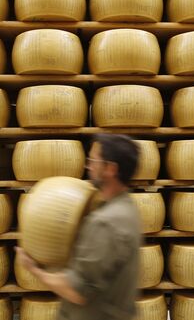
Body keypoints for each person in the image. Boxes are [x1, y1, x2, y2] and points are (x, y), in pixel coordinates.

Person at [15, 134, 142, 320]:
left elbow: (76, 291)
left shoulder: (105, 223)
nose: (88, 166)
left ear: (110, 169)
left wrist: (34, 269)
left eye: (93, 161)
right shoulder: (127, 207)